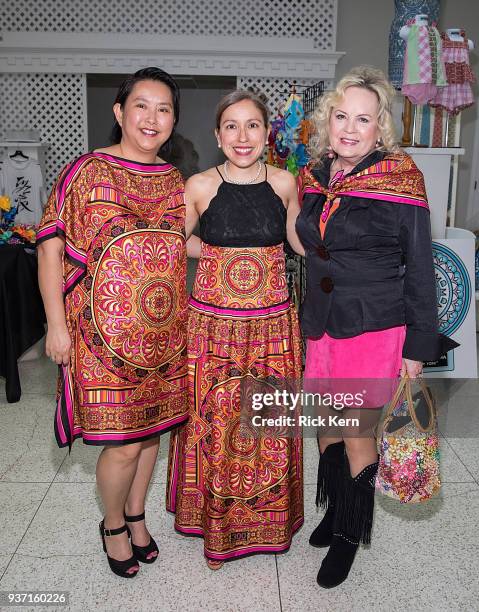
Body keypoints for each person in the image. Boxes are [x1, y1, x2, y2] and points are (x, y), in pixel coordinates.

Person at [296, 65, 456, 589]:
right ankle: (332, 507)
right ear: (327, 120)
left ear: (379, 127)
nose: (349, 127)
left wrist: (417, 345)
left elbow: (420, 265)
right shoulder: (315, 173)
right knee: (326, 431)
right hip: (321, 326)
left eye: (362, 119)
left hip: (373, 328)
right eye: (341, 115)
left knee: (357, 434)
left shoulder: (401, 177)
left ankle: (348, 533)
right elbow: (311, 243)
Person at [37, 67, 188, 578]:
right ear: (120, 113)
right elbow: (51, 245)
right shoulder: (85, 172)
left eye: (163, 108)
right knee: (123, 442)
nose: (152, 117)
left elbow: (174, 245)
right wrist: (55, 326)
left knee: (151, 436)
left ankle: (136, 514)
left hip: (165, 336)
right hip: (101, 335)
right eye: (141, 105)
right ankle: (112, 525)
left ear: (173, 122)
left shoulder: (173, 179)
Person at [166, 90, 305, 569]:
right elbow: (178, 241)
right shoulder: (199, 185)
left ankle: (268, 521)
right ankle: (217, 530)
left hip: (273, 327)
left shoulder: (287, 182)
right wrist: (226, 260)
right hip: (213, 327)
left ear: (268, 133)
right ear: (217, 134)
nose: (242, 137)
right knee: (216, 422)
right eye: (231, 126)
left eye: (252, 126)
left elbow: (296, 242)